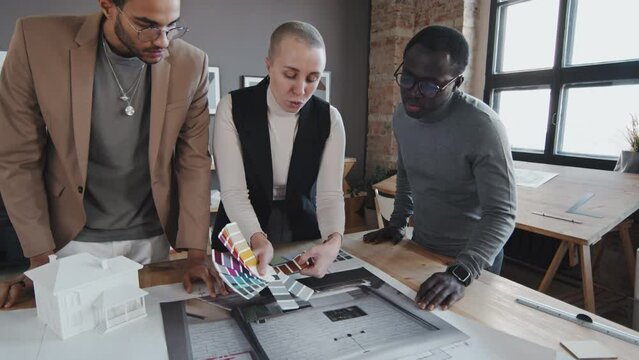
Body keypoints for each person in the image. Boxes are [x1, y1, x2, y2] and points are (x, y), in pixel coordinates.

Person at [0, 0, 224, 309]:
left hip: (152, 240)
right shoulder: (36, 42)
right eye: (146, 25)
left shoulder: (192, 64)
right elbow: (17, 157)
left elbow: (194, 162)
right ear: (108, 7)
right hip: (70, 241)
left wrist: (197, 253)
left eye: (171, 26)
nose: (162, 41)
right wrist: (40, 256)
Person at [363, 25, 516, 311]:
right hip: (421, 247)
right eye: (407, 78)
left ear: (457, 82)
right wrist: (397, 223)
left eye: (430, 85)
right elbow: (407, 170)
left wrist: (462, 272)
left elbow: (502, 213)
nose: (413, 93)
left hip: (471, 264)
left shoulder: (483, 128)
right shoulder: (402, 116)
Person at [212, 21, 346, 278]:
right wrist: (257, 237)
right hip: (242, 223)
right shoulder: (232, 108)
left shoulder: (330, 118)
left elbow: (330, 196)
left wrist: (334, 241)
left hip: (301, 226)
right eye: (290, 74)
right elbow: (234, 193)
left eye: (312, 78)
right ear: (268, 65)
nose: (301, 90)